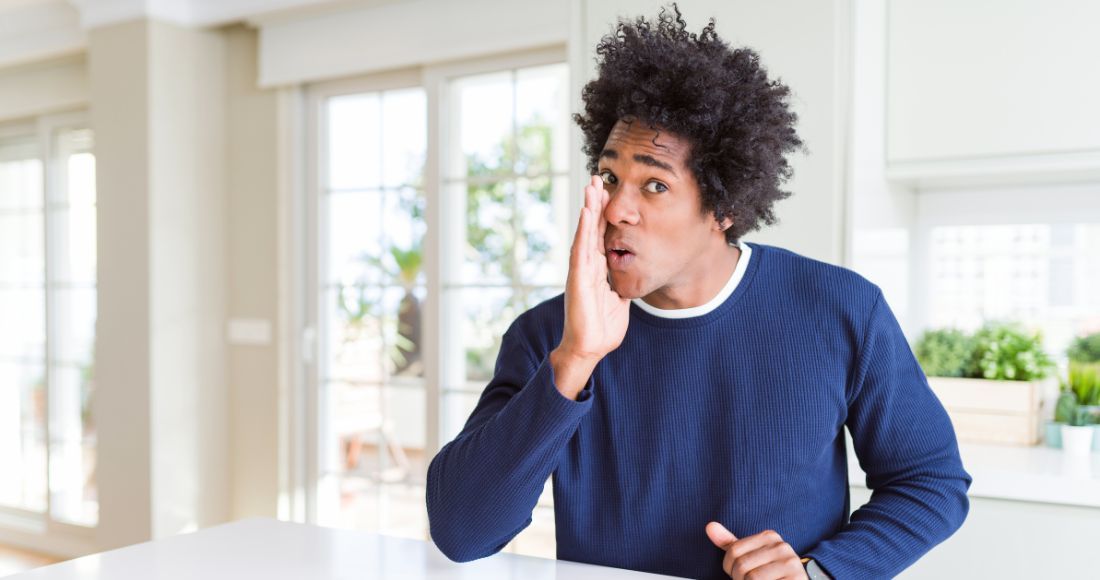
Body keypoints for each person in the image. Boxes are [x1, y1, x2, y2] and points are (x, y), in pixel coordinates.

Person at [425, 5, 971, 579]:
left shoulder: (841, 310)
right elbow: (462, 533)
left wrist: (819, 571)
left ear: (725, 206)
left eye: (654, 184)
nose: (616, 208)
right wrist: (574, 362)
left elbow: (931, 482)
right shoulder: (549, 337)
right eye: (609, 177)